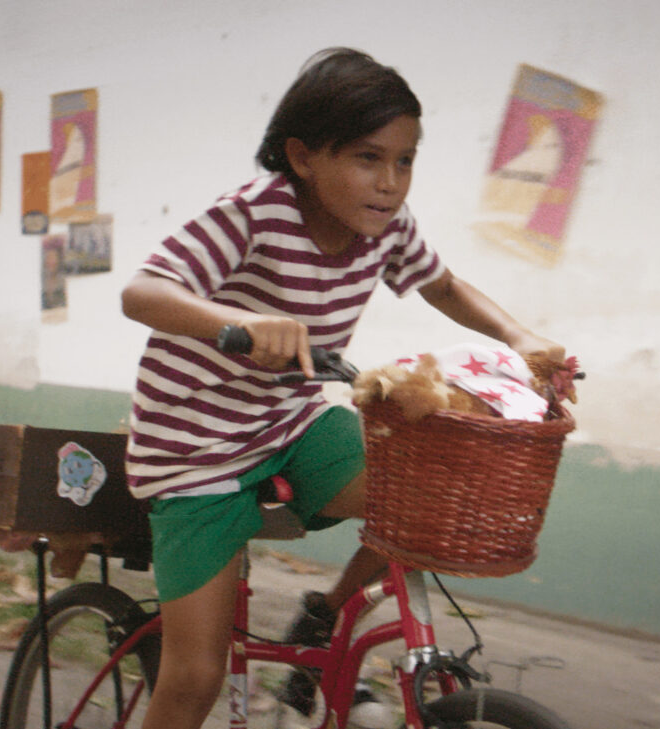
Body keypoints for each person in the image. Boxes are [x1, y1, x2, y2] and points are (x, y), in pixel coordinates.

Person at [120, 47, 565, 729]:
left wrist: (520, 336)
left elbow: (443, 285)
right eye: (367, 158)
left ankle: (324, 617)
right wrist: (241, 322)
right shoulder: (252, 215)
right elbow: (143, 292)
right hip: (195, 451)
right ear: (303, 157)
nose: (389, 183)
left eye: (405, 161)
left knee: (423, 499)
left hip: (291, 424)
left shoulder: (386, 229)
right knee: (195, 677)